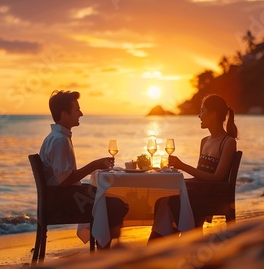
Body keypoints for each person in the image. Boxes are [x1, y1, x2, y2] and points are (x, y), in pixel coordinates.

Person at [39, 90, 128, 249]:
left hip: (61, 197)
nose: (81, 113)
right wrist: (94, 165)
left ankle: (103, 250)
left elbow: (64, 178)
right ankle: (105, 255)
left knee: (106, 195)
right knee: (116, 205)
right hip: (63, 202)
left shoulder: (58, 137)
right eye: (77, 110)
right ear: (64, 114)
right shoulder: (59, 140)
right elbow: (65, 181)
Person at [148, 94, 237, 241]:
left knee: (173, 199)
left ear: (213, 114)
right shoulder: (205, 141)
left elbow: (218, 178)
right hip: (201, 190)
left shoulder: (228, 142)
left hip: (214, 194)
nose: (199, 115)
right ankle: (166, 241)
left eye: (202, 111)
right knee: (163, 197)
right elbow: (199, 175)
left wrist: (182, 166)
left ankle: (167, 243)